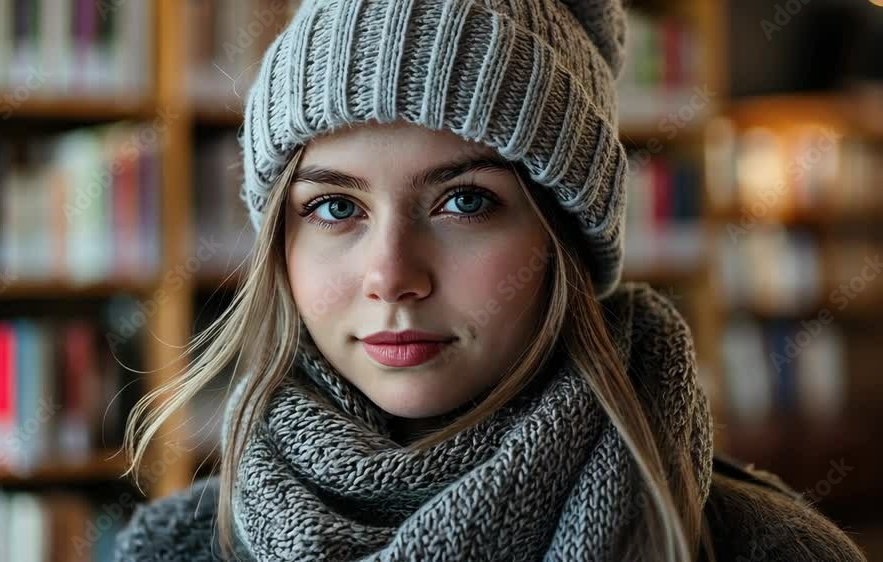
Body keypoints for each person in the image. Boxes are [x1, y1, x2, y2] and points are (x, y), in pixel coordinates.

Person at [112, 0, 867, 560]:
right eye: (336, 207)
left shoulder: (772, 549)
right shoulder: (168, 549)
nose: (391, 277)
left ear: (566, 235)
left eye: (465, 202)